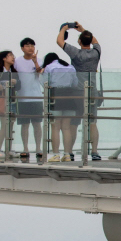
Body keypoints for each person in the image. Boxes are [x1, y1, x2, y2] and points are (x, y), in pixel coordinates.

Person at [57, 22, 102, 161]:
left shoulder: (75, 53)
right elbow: (95, 41)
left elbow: (59, 41)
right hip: (92, 90)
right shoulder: (96, 52)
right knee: (92, 122)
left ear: (79, 41)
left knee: (74, 122)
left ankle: (69, 151)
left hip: (77, 91)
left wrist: (65, 28)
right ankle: (94, 151)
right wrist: (82, 30)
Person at [43, 52, 79, 162]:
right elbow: (75, 83)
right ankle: (67, 154)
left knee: (55, 127)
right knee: (66, 127)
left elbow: (44, 83)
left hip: (55, 96)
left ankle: (56, 154)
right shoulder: (70, 67)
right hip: (69, 96)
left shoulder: (49, 67)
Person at [13, 38, 44, 161]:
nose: (30, 48)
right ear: (22, 48)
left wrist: (35, 62)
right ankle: (25, 148)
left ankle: (38, 148)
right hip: (22, 98)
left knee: (37, 124)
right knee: (24, 124)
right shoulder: (17, 61)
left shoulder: (39, 60)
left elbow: (40, 73)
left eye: (32, 45)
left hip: (36, 97)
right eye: (27, 45)